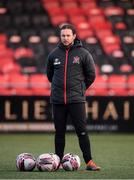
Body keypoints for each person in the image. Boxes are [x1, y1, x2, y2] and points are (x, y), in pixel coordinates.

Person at [46, 23, 101, 171]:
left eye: (68, 35)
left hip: (76, 100)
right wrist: (60, 89)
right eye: (63, 35)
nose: (65, 38)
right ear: (60, 36)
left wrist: (80, 89)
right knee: (59, 133)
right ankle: (56, 163)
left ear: (74, 36)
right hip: (57, 100)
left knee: (82, 131)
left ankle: (89, 162)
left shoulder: (83, 54)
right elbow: (50, 75)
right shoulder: (53, 54)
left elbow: (91, 75)